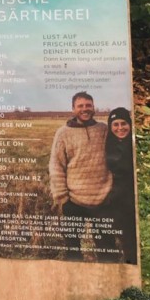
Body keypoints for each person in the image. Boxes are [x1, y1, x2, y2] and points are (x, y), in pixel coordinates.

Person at [48, 91, 113, 259]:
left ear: (93, 107)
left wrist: (113, 191)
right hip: (74, 201)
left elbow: (116, 157)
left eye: (88, 105)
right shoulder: (63, 133)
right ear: (73, 109)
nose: (85, 109)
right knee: (73, 248)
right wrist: (63, 198)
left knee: (107, 247)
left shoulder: (103, 130)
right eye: (80, 106)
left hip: (104, 200)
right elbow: (56, 166)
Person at [104, 107, 137, 264]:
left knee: (131, 236)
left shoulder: (133, 144)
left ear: (130, 124)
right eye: (115, 124)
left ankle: (131, 265)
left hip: (131, 197)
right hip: (116, 198)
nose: (120, 128)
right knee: (122, 235)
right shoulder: (108, 144)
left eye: (123, 123)